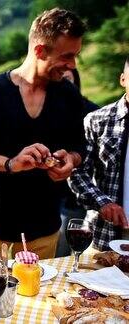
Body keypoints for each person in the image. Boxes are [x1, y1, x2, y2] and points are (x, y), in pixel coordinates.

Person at [0, 8, 87, 265]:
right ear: (40, 51)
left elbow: (80, 145)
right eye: (67, 56)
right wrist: (10, 163)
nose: (72, 65)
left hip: (44, 233)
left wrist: (71, 159)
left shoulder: (69, 95)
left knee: (35, 303)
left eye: (76, 56)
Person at [69, 57, 129, 251]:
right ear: (123, 79)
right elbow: (76, 171)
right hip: (103, 237)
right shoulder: (97, 120)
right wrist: (103, 203)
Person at [55, 68, 100, 257]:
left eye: (66, 79)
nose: (62, 84)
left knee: (65, 249)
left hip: (75, 198)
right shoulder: (48, 111)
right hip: (49, 195)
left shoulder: (92, 112)